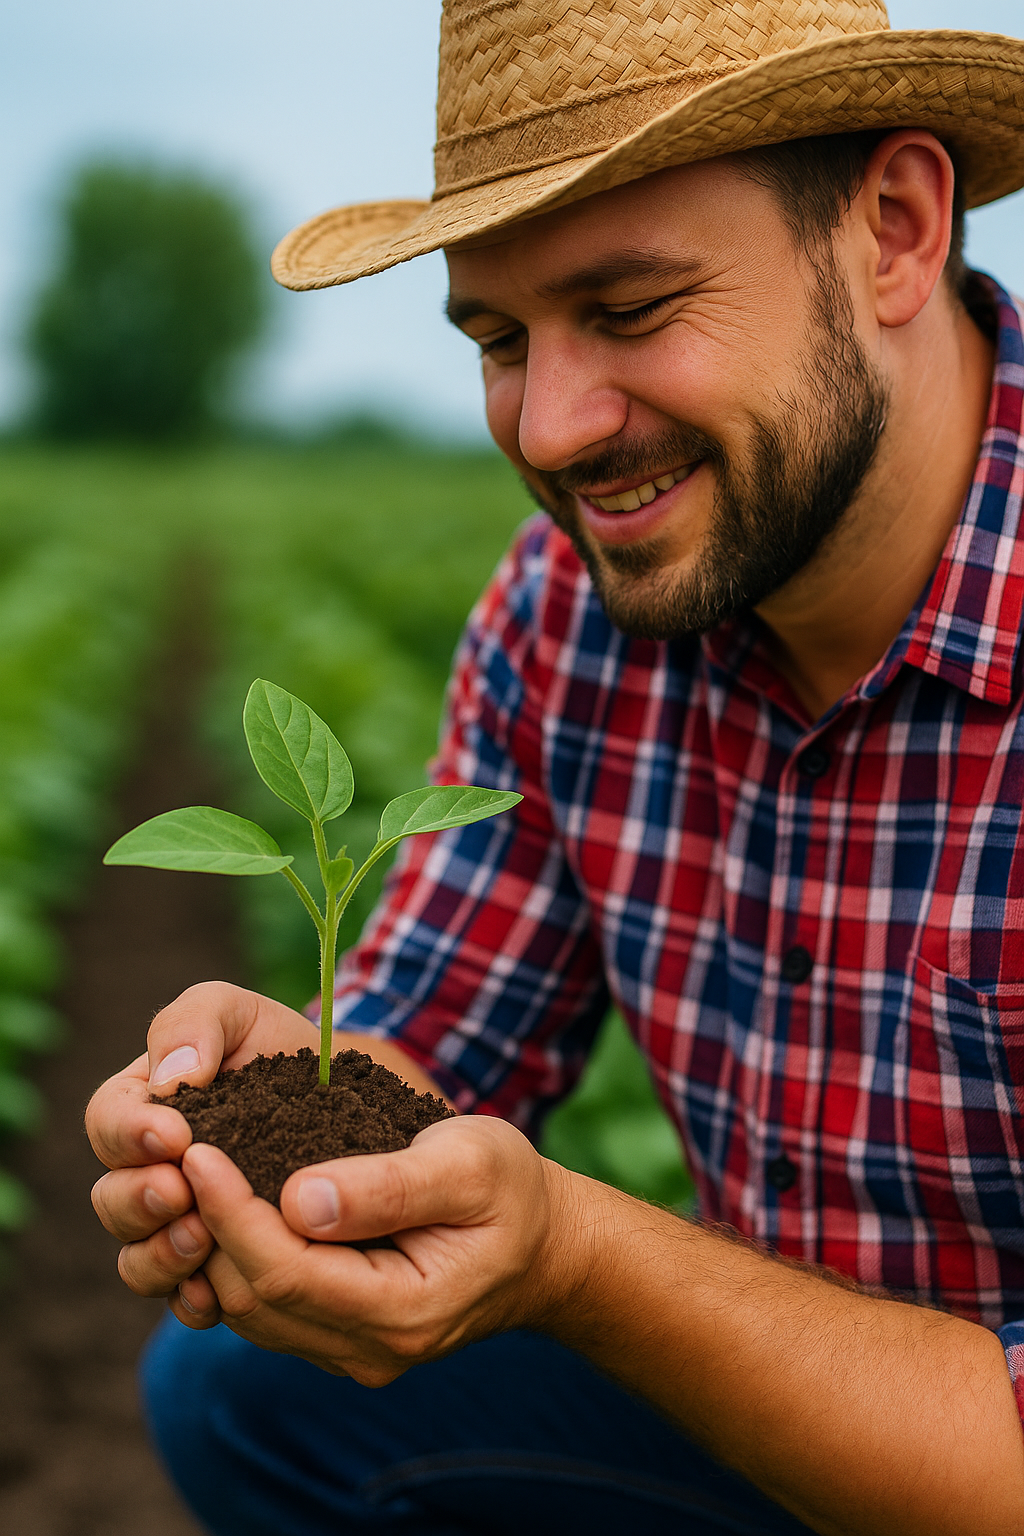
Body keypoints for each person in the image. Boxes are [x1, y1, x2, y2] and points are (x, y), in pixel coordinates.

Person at [85, 3, 1024, 1533]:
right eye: (503, 340)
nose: (557, 424)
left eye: (636, 306)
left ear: (897, 231)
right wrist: (283, 1123)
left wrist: (582, 1254)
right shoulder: (569, 614)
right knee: (250, 1390)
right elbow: (431, 1043)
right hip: (777, 1443)